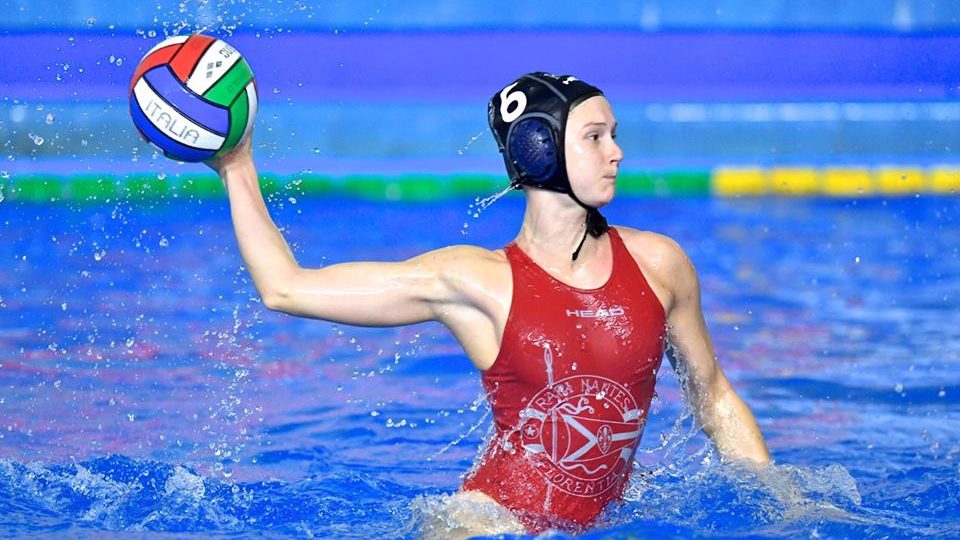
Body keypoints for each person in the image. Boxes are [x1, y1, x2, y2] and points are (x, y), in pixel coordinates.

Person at [208, 72, 771, 537]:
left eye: (614, 135)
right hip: (488, 525)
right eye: (595, 137)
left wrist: (774, 502)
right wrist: (236, 165)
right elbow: (284, 287)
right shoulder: (476, 281)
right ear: (538, 146)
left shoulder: (659, 265)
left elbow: (712, 394)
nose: (616, 153)